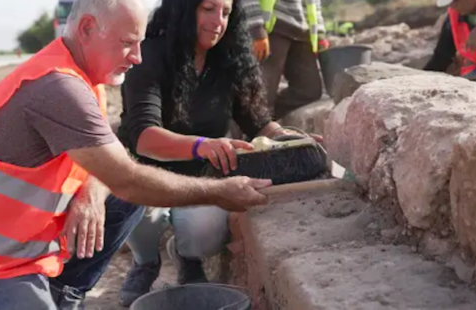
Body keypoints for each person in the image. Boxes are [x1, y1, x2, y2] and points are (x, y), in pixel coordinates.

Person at [0, 0, 273, 309]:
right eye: (128, 43)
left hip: (26, 248)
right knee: (130, 188)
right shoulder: (59, 88)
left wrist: (90, 189)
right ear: (88, 28)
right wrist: (221, 192)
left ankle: (63, 291)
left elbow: (114, 157)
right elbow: (128, 178)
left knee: (120, 199)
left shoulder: (85, 76)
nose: (137, 56)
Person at [114, 0, 321, 306]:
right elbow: (144, 138)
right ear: (183, 8)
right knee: (123, 203)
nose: (218, 21)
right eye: (208, 8)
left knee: (204, 229)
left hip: (201, 177)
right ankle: (145, 262)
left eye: (225, 12)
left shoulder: (228, 60)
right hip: (144, 172)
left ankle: (188, 258)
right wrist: (203, 145)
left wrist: (288, 139)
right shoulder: (149, 55)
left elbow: (259, 123)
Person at [244, 0, 326, 119]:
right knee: (264, 94)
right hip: (272, 26)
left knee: (309, 90)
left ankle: (259, 120)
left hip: (302, 29)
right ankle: (253, 127)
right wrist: (256, 27)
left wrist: (319, 31)